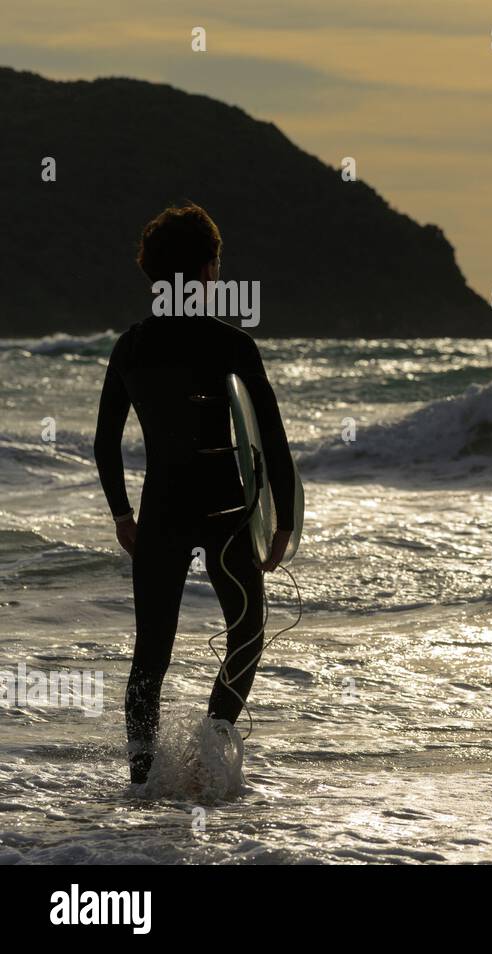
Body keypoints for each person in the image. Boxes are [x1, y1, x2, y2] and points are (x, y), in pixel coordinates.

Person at [93, 203, 294, 784]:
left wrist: (122, 514)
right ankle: (209, 752)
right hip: (227, 511)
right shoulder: (233, 346)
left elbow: (107, 443)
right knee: (248, 631)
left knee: (149, 654)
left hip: (161, 511)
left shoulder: (130, 347)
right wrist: (281, 520)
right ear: (206, 271)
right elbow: (272, 442)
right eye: (217, 263)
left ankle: (140, 780)